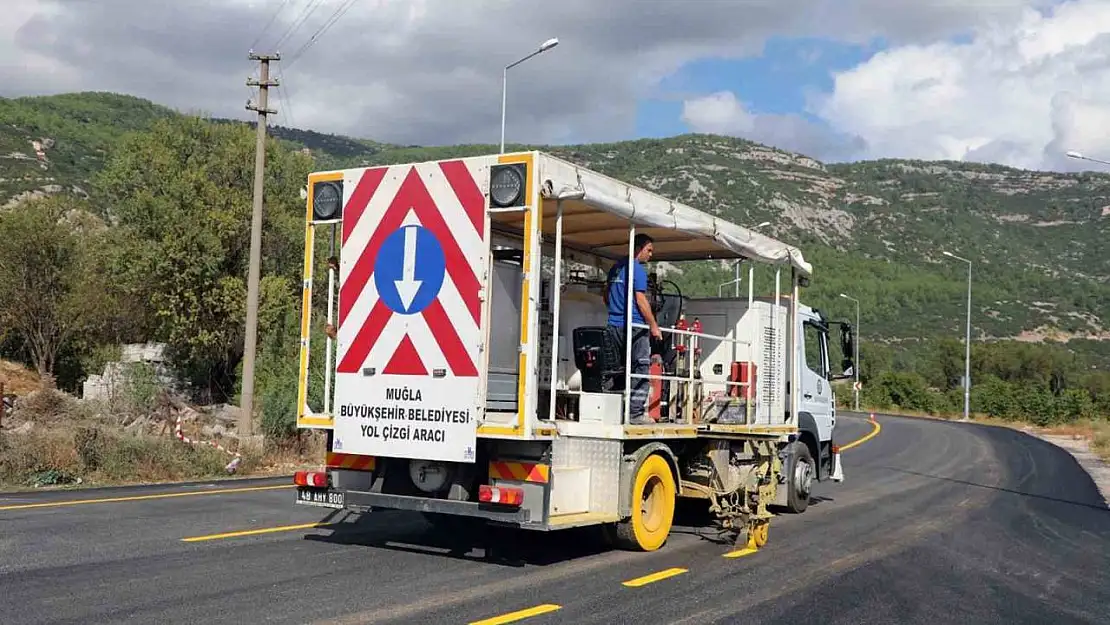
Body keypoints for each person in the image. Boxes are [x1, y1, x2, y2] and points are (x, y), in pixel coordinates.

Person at [602, 233, 662, 425]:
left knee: (615, 369)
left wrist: (615, 310)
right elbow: (641, 299)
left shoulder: (616, 268)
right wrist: (653, 326)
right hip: (634, 326)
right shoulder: (637, 270)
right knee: (640, 368)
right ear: (638, 248)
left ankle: (612, 411)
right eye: (649, 250)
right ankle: (635, 414)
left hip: (613, 325)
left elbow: (606, 294)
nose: (650, 255)